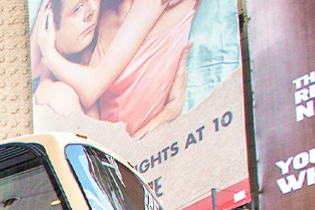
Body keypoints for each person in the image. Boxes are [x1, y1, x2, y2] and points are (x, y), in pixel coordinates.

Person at [33, 0, 195, 138]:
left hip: (129, 153)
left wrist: (49, 53)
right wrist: (170, 110)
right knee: (53, 93)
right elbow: (34, 67)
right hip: (105, 147)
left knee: (57, 95)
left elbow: (90, 90)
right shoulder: (100, 11)